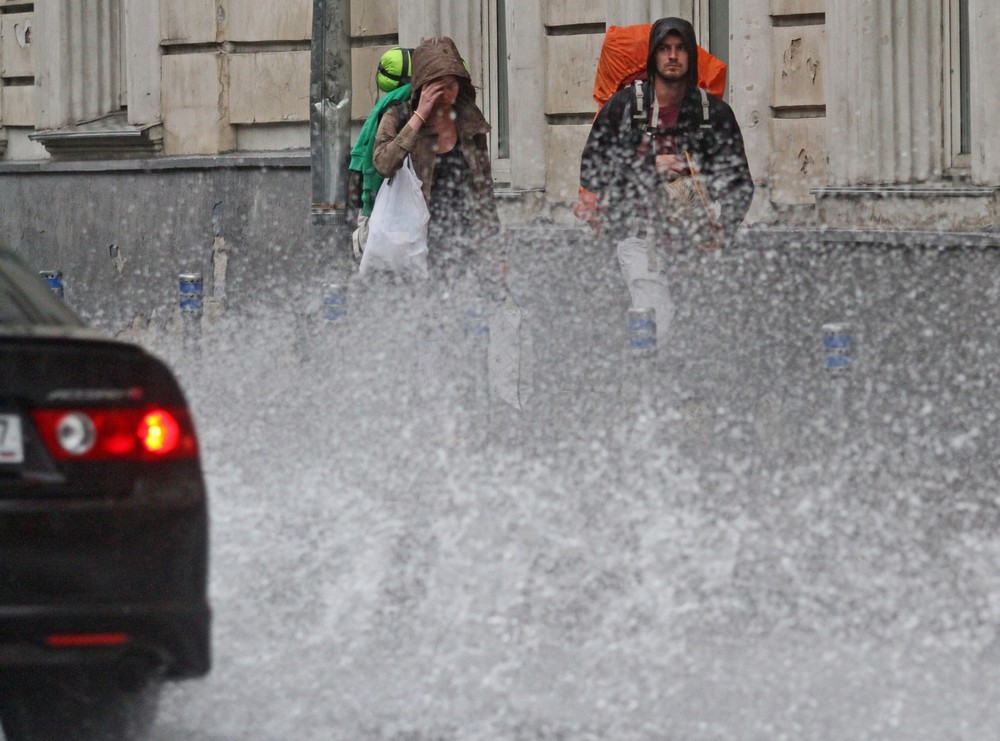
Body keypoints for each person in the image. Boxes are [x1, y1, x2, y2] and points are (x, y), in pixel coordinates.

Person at [579, 17, 754, 345]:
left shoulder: (713, 114)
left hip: (697, 242)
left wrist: (723, 225)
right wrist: (650, 165)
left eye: (680, 49)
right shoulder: (625, 107)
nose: (672, 56)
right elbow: (592, 170)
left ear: (692, 57)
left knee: (705, 330)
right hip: (640, 237)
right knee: (655, 319)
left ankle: (684, 389)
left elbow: (739, 182)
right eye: (664, 48)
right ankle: (650, 389)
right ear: (652, 57)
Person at [372, 36, 502, 288]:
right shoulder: (399, 117)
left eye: (451, 85)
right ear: (422, 86)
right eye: (437, 87)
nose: (445, 94)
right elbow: (384, 165)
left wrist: (496, 251)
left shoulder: (468, 121)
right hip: (415, 240)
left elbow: (484, 189)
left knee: (468, 316)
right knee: (425, 317)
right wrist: (419, 115)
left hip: (465, 241)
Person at [348, 47, 414, 259]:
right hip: (382, 205)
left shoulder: (387, 103)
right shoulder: (399, 105)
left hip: (372, 203)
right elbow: (379, 162)